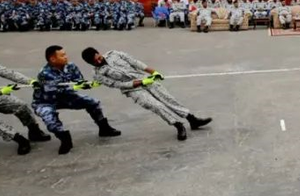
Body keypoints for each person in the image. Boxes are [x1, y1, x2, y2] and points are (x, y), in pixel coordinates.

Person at [81, 48, 212, 141]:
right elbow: (116, 84)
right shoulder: (97, 74)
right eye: (95, 62)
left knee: (167, 99)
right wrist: (139, 83)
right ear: (90, 63)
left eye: (98, 58)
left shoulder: (114, 54)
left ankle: (192, 119)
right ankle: (178, 125)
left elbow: (135, 62)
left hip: (145, 78)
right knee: (155, 105)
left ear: (99, 53)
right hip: (132, 89)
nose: (99, 62)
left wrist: (154, 72)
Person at [33, 45, 122, 154]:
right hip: (46, 101)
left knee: (93, 102)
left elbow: (78, 81)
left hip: (65, 96)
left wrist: (85, 84)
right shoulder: (45, 74)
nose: (66, 57)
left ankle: (104, 128)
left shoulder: (70, 66)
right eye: (62, 55)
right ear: (52, 59)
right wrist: (76, 86)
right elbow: (54, 91)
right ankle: (65, 140)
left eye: (65, 54)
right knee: (50, 119)